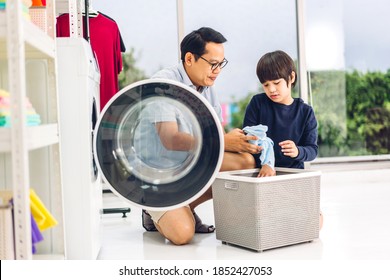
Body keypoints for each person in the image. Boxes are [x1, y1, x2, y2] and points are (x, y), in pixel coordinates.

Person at [141, 27, 261, 245]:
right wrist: (224, 141)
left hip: (188, 166)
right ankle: (155, 209)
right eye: (213, 64)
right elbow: (170, 140)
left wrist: (241, 142)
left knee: (244, 161)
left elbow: (212, 134)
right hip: (159, 174)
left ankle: (185, 206)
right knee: (183, 235)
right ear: (189, 58)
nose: (217, 71)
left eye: (221, 64)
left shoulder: (207, 88)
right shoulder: (163, 84)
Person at [243, 50, 323, 229]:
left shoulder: (305, 112)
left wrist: (298, 151)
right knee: (260, 222)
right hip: (261, 175)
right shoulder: (257, 104)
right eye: (266, 84)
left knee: (315, 222)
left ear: (291, 77)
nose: (271, 89)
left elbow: (312, 150)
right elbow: (248, 138)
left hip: (291, 177)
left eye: (277, 83)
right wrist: (266, 162)